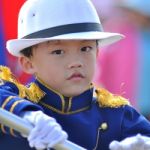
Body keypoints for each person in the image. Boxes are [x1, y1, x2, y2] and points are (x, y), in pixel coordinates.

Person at [0, 0, 150, 150]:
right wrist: (26, 115)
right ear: (28, 63)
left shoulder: (118, 114)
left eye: (85, 49)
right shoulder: (13, 102)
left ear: (97, 53)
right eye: (58, 52)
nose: (76, 62)